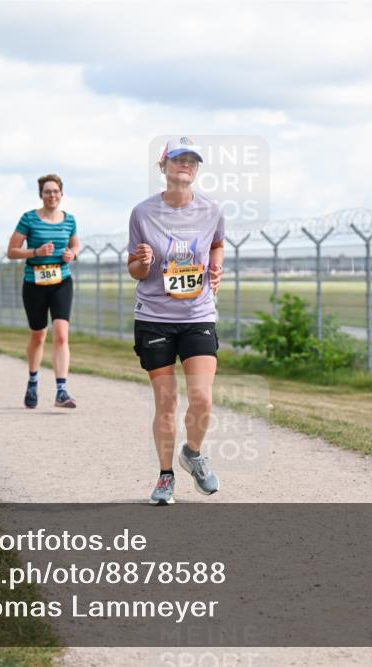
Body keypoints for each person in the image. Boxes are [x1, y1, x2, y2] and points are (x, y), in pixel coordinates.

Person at [127, 137, 225, 506]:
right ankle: (166, 476)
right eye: (178, 159)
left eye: (192, 160)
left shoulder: (212, 210)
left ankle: (193, 454)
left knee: (201, 398)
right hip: (154, 317)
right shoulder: (142, 213)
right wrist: (144, 261)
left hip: (198, 313)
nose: (185, 164)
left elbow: (217, 243)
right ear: (163, 167)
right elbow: (134, 270)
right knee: (166, 402)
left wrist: (217, 267)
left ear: (197, 170)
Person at [6, 173, 81, 409]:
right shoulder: (28, 219)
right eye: (47, 191)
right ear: (41, 194)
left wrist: (73, 254)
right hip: (34, 284)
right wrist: (36, 252)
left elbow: (75, 244)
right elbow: (12, 251)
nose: (52, 195)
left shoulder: (69, 220)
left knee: (61, 333)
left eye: (56, 191)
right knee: (39, 335)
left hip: (62, 280)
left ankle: (61, 391)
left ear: (61, 194)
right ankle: (33, 380)